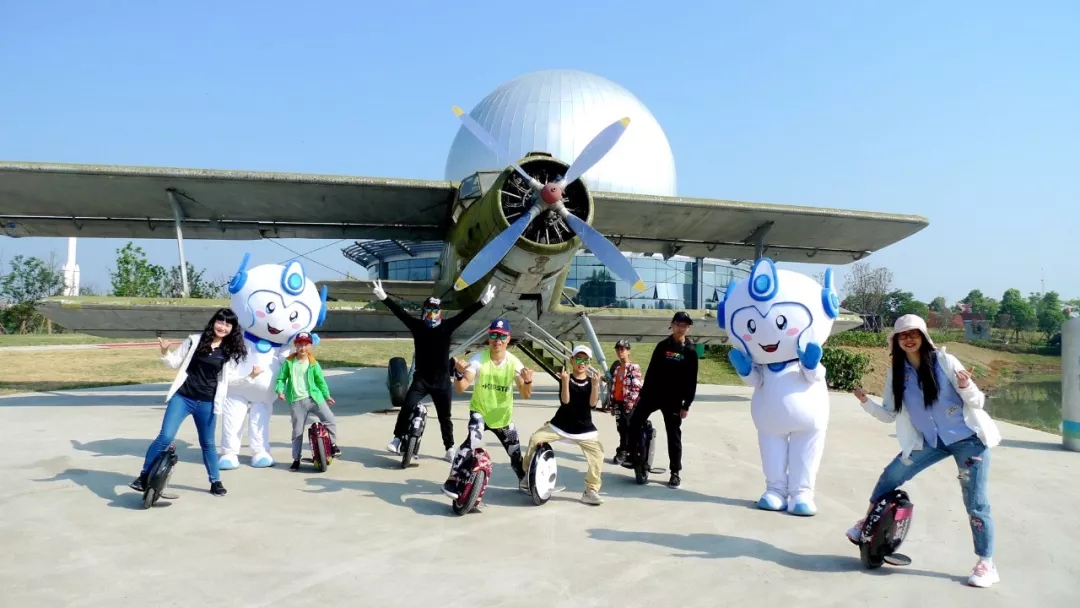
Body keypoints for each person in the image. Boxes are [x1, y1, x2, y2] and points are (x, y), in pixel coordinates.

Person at [848, 314, 1002, 588]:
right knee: (890, 476)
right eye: (902, 335)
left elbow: (978, 401)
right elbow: (888, 414)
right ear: (895, 340)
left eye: (913, 333)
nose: (908, 338)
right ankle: (865, 523)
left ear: (923, 335)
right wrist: (864, 402)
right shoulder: (896, 372)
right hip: (931, 441)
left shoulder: (945, 362)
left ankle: (986, 563)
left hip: (969, 441)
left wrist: (966, 386)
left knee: (976, 503)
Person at [129, 308, 255, 497]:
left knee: (208, 444)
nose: (223, 327)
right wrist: (165, 350)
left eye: (228, 324)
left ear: (232, 329)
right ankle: (143, 476)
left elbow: (231, 380)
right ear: (213, 322)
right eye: (220, 322)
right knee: (165, 437)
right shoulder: (194, 341)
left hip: (207, 403)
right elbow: (173, 363)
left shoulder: (229, 351)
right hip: (183, 397)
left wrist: (251, 377)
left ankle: (215, 481)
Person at [373, 279, 496, 461]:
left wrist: (483, 302)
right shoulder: (418, 326)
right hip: (421, 379)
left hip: (442, 382)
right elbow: (401, 313)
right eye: (428, 310)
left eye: (435, 310)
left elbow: (465, 314)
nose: (431, 313)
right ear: (424, 311)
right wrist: (384, 298)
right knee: (406, 406)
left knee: (445, 418)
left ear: (440, 312)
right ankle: (398, 438)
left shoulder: (447, 326)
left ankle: (449, 448)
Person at [441, 318, 534, 498]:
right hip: (480, 412)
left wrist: (528, 380)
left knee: (515, 454)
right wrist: (459, 374)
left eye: (501, 336)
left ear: (508, 339)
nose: (497, 340)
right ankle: (452, 479)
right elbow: (461, 388)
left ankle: (524, 480)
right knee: (472, 443)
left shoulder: (514, 363)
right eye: (493, 335)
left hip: (502, 418)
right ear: (488, 337)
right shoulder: (478, 360)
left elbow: (525, 394)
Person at [521, 345, 605, 505]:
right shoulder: (565, 378)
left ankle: (591, 490)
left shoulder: (591, 382)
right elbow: (565, 402)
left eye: (585, 360)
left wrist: (595, 386)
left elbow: (593, 404)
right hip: (560, 425)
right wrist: (565, 382)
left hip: (584, 429)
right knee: (535, 439)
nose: (582, 363)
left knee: (598, 455)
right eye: (578, 359)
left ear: (590, 362)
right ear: (572, 360)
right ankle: (527, 475)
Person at [623, 311, 699, 488]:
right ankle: (631, 455)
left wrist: (686, 404)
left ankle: (675, 472)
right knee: (633, 421)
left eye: (685, 325)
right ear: (672, 325)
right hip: (653, 395)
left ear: (688, 328)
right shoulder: (662, 346)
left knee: (673, 435)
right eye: (679, 324)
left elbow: (691, 381)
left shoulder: (690, 351)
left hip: (674, 400)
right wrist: (642, 395)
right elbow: (651, 372)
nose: (681, 327)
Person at [274, 331, 340, 470]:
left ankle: (333, 445)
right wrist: (279, 390)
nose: (303, 348)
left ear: (310, 346)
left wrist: (327, 396)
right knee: (297, 431)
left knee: (330, 419)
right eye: (300, 345)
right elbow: (281, 378)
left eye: (306, 345)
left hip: (314, 398)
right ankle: (296, 459)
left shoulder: (313, 363)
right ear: (295, 345)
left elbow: (320, 381)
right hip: (297, 401)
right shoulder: (289, 362)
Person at [607, 339, 643, 465]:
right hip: (618, 403)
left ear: (628, 351)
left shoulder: (634, 367)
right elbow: (614, 387)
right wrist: (612, 404)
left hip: (627, 403)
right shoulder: (617, 369)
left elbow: (636, 387)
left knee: (627, 427)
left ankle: (627, 451)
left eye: (622, 349)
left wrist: (630, 403)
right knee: (620, 428)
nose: (619, 352)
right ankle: (623, 450)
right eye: (618, 349)